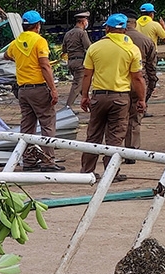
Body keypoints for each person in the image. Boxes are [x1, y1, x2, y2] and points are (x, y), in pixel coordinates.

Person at [79, 15, 145, 178]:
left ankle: (87, 171)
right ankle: (111, 172)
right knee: (115, 137)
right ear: (124, 29)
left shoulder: (95, 47)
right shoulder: (131, 49)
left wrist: (84, 96)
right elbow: (137, 78)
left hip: (98, 97)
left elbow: (87, 75)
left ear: (107, 28)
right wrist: (142, 99)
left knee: (93, 134)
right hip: (121, 98)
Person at [6, 11, 62, 171]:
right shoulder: (39, 41)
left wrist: (22, 60)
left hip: (23, 90)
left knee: (27, 126)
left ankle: (29, 160)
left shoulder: (16, 43)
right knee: (47, 124)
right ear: (37, 26)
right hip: (39, 89)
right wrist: (53, 89)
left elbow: (6, 55)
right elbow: (45, 65)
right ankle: (48, 161)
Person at [123, 24, 158, 147]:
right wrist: (152, 84)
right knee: (134, 118)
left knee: (116, 120)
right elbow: (151, 67)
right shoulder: (146, 40)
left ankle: (112, 151)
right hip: (139, 83)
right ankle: (131, 151)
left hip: (117, 84)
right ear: (135, 24)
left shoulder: (107, 42)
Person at [63, 12, 92, 110]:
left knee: (82, 86)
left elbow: (64, 49)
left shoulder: (68, 33)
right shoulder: (82, 33)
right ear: (83, 22)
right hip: (80, 63)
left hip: (71, 62)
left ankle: (92, 106)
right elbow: (89, 47)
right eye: (86, 20)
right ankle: (67, 107)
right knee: (77, 85)